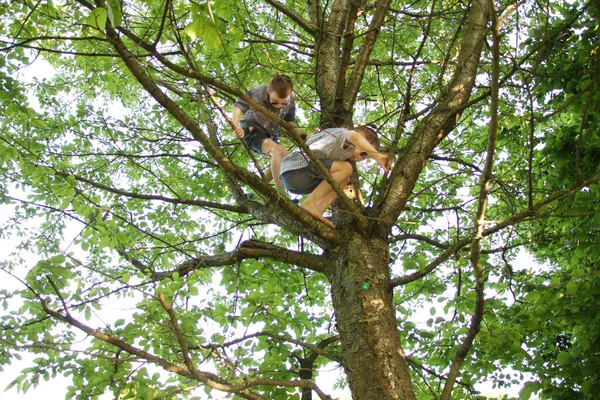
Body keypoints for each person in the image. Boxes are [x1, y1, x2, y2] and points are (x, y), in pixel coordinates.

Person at [279, 126, 388, 228]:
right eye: (363, 154)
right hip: (297, 166)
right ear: (362, 138)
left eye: (363, 159)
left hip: (298, 181)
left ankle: (317, 210)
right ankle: (310, 202)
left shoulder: (342, 153)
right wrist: (377, 155)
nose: (359, 159)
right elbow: (354, 136)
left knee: (345, 179)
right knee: (346, 168)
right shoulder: (342, 134)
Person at [232, 75, 298, 192]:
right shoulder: (257, 93)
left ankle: (257, 191)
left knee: (285, 156)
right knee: (277, 151)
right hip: (252, 131)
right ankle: (281, 194)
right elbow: (238, 107)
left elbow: (290, 122)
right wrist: (235, 126)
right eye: (274, 102)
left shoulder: (291, 102)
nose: (278, 106)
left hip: (271, 135)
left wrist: (300, 134)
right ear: (268, 90)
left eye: (283, 103)